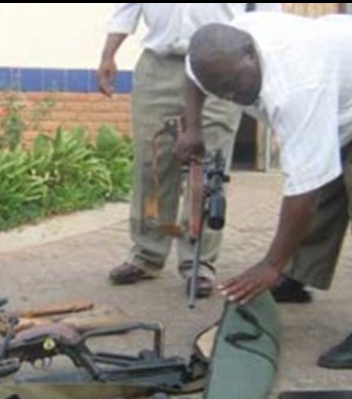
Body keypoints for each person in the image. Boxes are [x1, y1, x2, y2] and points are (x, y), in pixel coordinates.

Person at [181, 12, 352, 369]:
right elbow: (190, 77)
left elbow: (302, 192)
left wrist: (270, 263)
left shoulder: (297, 87)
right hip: (340, 89)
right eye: (221, 92)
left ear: (250, 52)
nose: (231, 95)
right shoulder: (215, 55)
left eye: (233, 85)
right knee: (324, 183)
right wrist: (193, 128)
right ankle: (296, 278)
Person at [98, 3, 281, 298]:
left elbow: (269, 13)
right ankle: (146, 255)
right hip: (159, 65)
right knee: (152, 166)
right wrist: (109, 53)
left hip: (221, 67)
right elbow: (126, 8)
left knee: (210, 172)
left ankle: (199, 264)